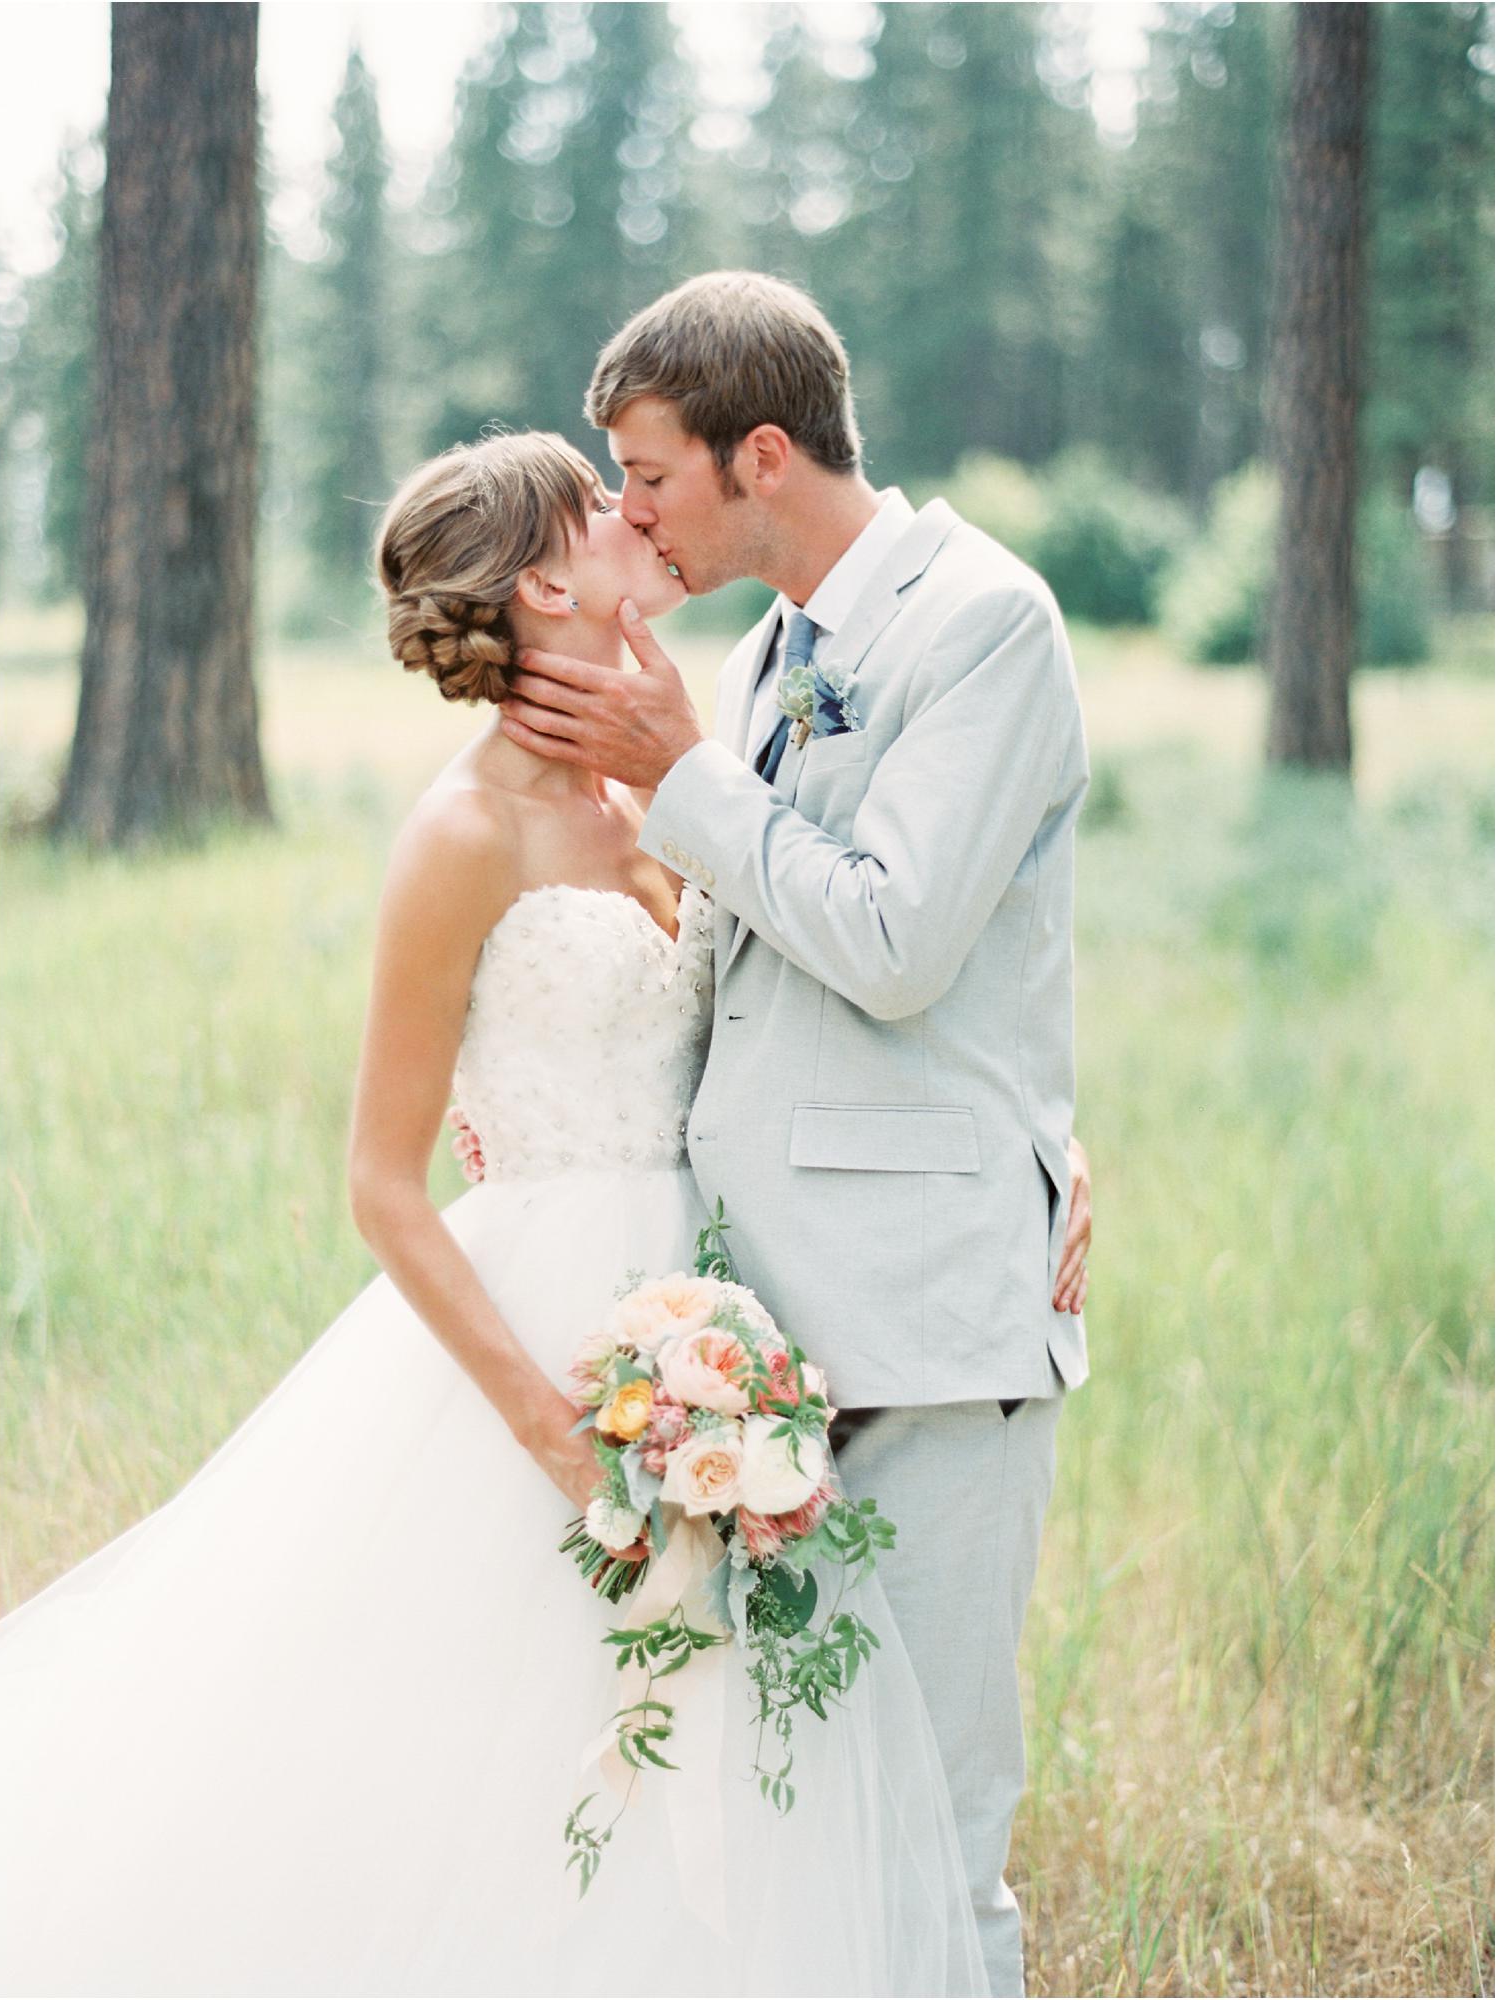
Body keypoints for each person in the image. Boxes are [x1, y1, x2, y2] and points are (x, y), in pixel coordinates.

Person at [0, 432, 995, 1997]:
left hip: (713, 1309)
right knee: (510, 1748)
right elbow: (382, 1182)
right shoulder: (461, 835)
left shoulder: (657, 774)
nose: (636, 511)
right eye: (601, 505)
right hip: (546, 1340)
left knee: (725, 1730)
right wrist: (548, 1427)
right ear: (542, 581)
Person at [498, 271, 1093, 2000]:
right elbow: (766, 943)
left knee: (933, 1825)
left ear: (762, 454)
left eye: (648, 475)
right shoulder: (772, 647)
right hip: (758, 1332)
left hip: (924, 1312)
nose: (625, 516)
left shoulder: (986, 621)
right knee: (792, 1820)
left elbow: (906, 945)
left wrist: (686, 774)